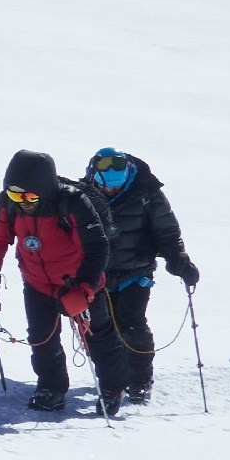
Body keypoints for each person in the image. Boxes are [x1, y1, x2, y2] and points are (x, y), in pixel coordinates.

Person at [0, 149, 120, 414]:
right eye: (15, 195)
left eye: (30, 196)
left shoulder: (73, 203)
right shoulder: (8, 204)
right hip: (37, 282)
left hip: (77, 280)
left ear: (44, 190)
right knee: (41, 338)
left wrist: (84, 288)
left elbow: (97, 248)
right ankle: (51, 387)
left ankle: (112, 387)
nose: (22, 202)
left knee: (97, 335)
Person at [83, 148, 198, 404]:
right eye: (108, 188)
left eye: (117, 187)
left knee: (132, 327)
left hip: (135, 272)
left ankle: (140, 380)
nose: (112, 192)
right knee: (99, 331)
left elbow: (167, 231)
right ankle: (112, 381)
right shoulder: (84, 195)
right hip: (96, 275)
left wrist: (179, 261)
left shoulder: (147, 193)